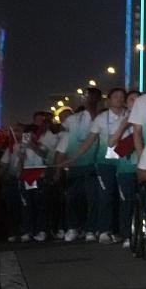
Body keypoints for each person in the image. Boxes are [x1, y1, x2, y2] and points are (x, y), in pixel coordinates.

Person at [55, 89, 103, 241]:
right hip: (75, 167)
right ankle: (73, 228)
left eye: (90, 97)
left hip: (94, 166)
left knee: (92, 199)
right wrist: (58, 169)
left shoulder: (102, 117)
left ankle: (90, 229)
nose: (87, 99)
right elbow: (63, 145)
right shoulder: (73, 120)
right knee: (73, 199)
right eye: (86, 97)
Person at [89, 88, 130, 243]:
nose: (119, 99)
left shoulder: (130, 115)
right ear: (109, 100)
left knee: (123, 197)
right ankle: (104, 230)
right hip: (105, 162)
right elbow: (90, 140)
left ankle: (121, 231)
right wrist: (76, 157)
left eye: (122, 96)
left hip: (124, 162)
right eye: (115, 96)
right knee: (106, 196)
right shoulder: (101, 118)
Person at [114, 89, 141, 248]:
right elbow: (114, 145)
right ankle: (127, 235)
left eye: (138, 99)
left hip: (145, 168)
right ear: (126, 103)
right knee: (127, 203)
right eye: (131, 99)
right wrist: (125, 127)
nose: (135, 102)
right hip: (126, 170)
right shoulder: (121, 121)